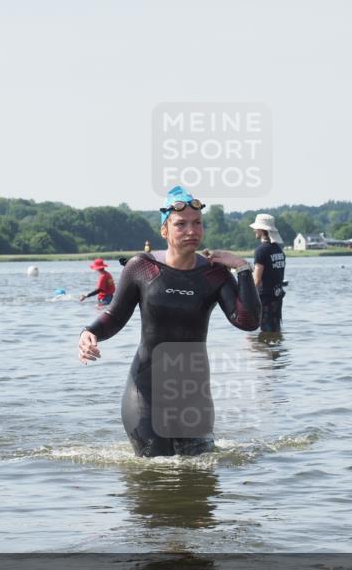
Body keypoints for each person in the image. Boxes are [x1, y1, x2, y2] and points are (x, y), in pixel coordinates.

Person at [78, 185, 261, 457]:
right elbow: (115, 316)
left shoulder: (214, 274)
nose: (191, 230)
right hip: (145, 392)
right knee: (157, 467)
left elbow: (247, 321)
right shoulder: (141, 267)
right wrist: (89, 333)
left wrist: (243, 268)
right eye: (181, 224)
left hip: (193, 395)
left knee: (199, 480)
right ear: (165, 229)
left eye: (197, 223)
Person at [249, 213, 287, 333]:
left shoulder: (261, 251)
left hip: (265, 300)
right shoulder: (278, 250)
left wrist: (246, 299)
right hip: (277, 297)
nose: (254, 230)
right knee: (276, 330)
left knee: (266, 333)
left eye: (256, 228)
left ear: (261, 229)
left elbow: (257, 280)